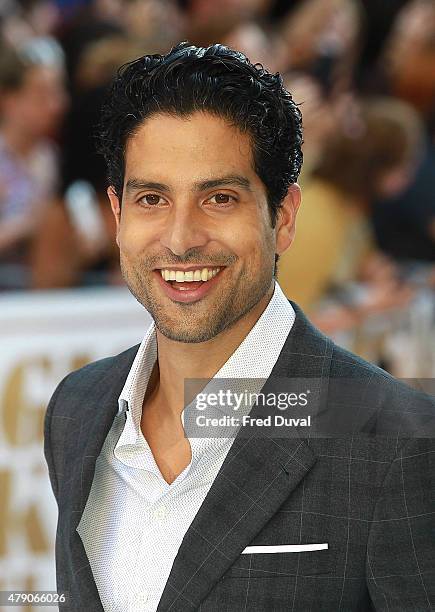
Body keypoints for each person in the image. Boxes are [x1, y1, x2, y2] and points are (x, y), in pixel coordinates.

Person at [43, 42, 435, 611]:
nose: (180, 238)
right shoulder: (76, 409)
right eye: (152, 197)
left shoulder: (398, 439)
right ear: (118, 214)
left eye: (219, 198)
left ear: (283, 217)